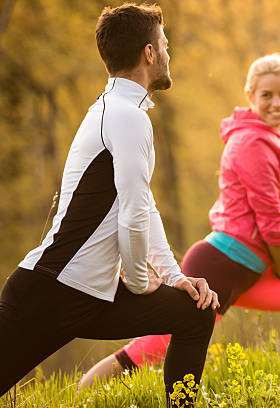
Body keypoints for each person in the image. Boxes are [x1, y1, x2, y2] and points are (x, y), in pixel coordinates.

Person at [79, 54, 280, 387]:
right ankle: (86, 392)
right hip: (221, 265)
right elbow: (272, 220)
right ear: (250, 96)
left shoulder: (275, 137)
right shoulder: (250, 143)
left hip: (255, 268)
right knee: (155, 346)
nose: (277, 103)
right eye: (267, 95)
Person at [0, 4, 219, 406]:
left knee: (194, 312)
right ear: (149, 54)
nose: (169, 54)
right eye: (165, 46)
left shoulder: (121, 112)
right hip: (48, 292)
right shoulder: (124, 116)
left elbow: (143, 205)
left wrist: (172, 277)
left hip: (92, 295)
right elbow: (133, 215)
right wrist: (139, 282)